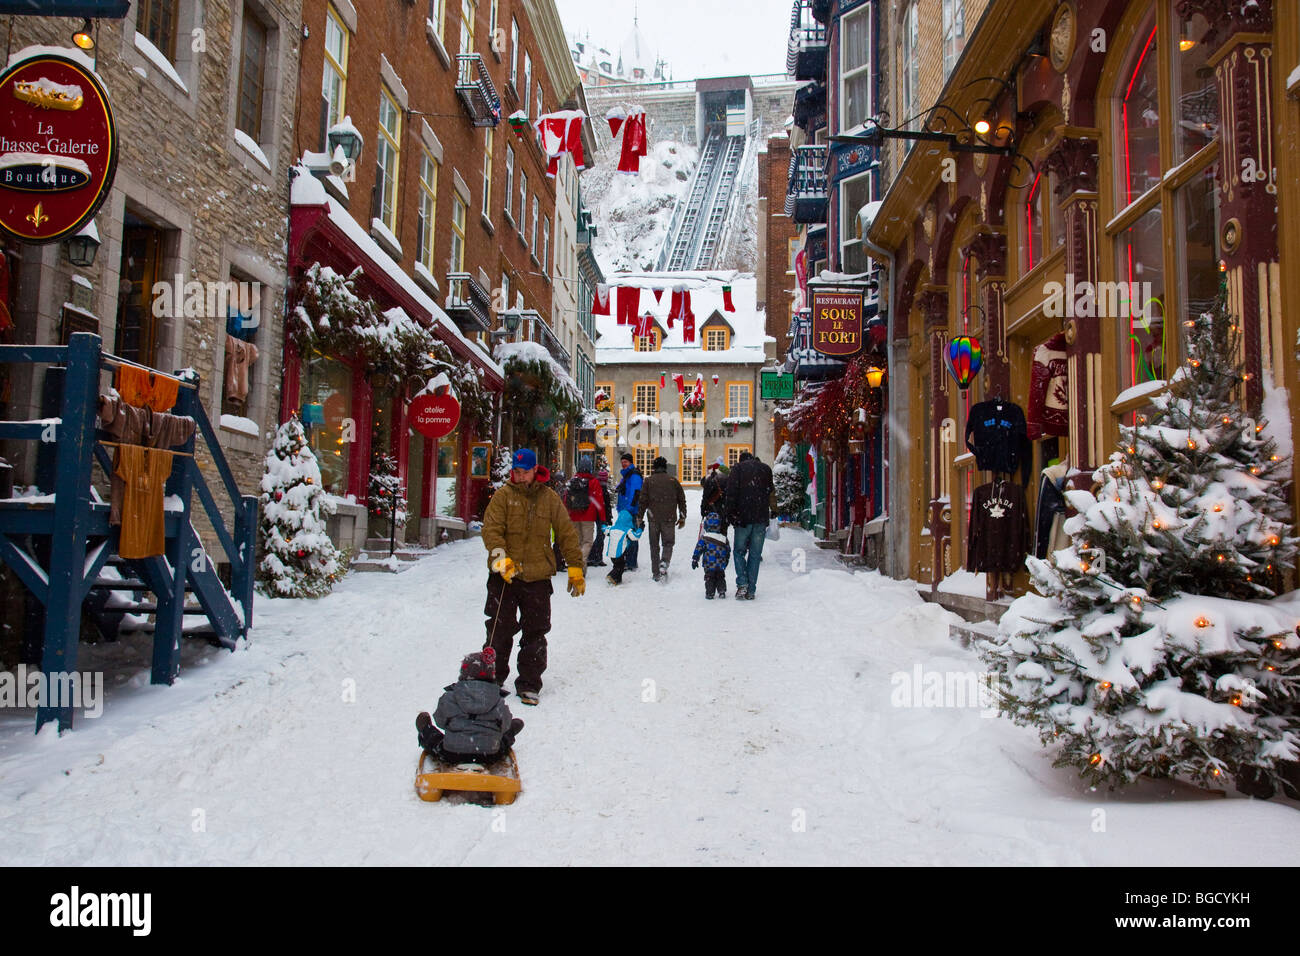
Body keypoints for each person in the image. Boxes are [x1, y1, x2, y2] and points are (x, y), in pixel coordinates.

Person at [480, 448, 585, 705]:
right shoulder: (503, 497)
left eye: (524, 472)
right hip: (505, 576)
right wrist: (500, 558)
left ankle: (528, 683)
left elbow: (566, 533)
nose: (520, 476)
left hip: (537, 577)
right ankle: (491, 679)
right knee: (498, 629)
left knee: (535, 632)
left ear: (535, 470)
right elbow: (491, 530)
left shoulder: (549, 498)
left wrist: (575, 567)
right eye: (516, 472)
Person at [415, 647, 524, 764]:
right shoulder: (498, 700)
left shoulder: (450, 697)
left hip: (452, 753)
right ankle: (512, 732)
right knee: (502, 741)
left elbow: (440, 721)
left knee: (435, 740)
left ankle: (425, 728)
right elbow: (504, 725)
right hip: (489, 755)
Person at [724, 451, 774, 600]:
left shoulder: (738, 469)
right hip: (760, 517)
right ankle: (751, 589)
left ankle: (742, 584)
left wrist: (730, 514)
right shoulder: (765, 469)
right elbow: (770, 492)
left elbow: (731, 493)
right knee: (755, 554)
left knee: (739, 551)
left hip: (743, 518)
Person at [641, 455, 687, 581]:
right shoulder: (672, 480)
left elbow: (643, 501)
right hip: (669, 517)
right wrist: (682, 516)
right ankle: (664, 562)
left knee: (654, 545)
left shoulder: (648, 481)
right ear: (665, 467)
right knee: (668, 543)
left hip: (653, 518)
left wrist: (639, 517)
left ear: (654, 467)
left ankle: (656, 573)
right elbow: (681, 499)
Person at [606, 452, 644, 585]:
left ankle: (631, 562)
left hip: (630, 511)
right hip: (624, 510)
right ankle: (629, 560)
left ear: (630, 462)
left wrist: (630, 508)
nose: (623, 463)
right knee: (626, 536)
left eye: (626, 461)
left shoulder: (633, 475)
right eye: (622, 461)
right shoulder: (627, 475)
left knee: (631, 535)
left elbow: (635, 493)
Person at [566, 456, 606, 564]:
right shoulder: (594, 482)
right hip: (588, 516)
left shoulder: (573, 480)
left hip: (574, 516)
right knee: (587, 542)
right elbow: (599, 502)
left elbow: (566, 499)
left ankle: (577, 564)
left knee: (577, 542)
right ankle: (581, 563)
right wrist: (602, 518)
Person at [691, 511, 731, 600]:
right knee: (720, 577)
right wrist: (726, 559)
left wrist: (695, 559)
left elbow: (698, 549)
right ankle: (721, 591)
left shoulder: (704, 538)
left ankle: (710, 593)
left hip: (709, 564)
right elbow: (728, 550)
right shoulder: (723, 538)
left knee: (709, 578)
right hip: (720, 564)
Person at [588, 468, 612, 567]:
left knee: (600, 536)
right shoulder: (603, 489)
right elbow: (606, 506)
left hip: (598, 515)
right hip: (601, 516)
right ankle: (596, 557)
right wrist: (608, 517)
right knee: (600, 536)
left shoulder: (597, 487)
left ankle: (593, 556)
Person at [700, 457, 728, 530]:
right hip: (723, 510)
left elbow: (705, 497)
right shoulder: (727, 478)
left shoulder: (709, 480)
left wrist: (703, 510)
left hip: (711, 510)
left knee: (711, 531)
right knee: (722, 532)